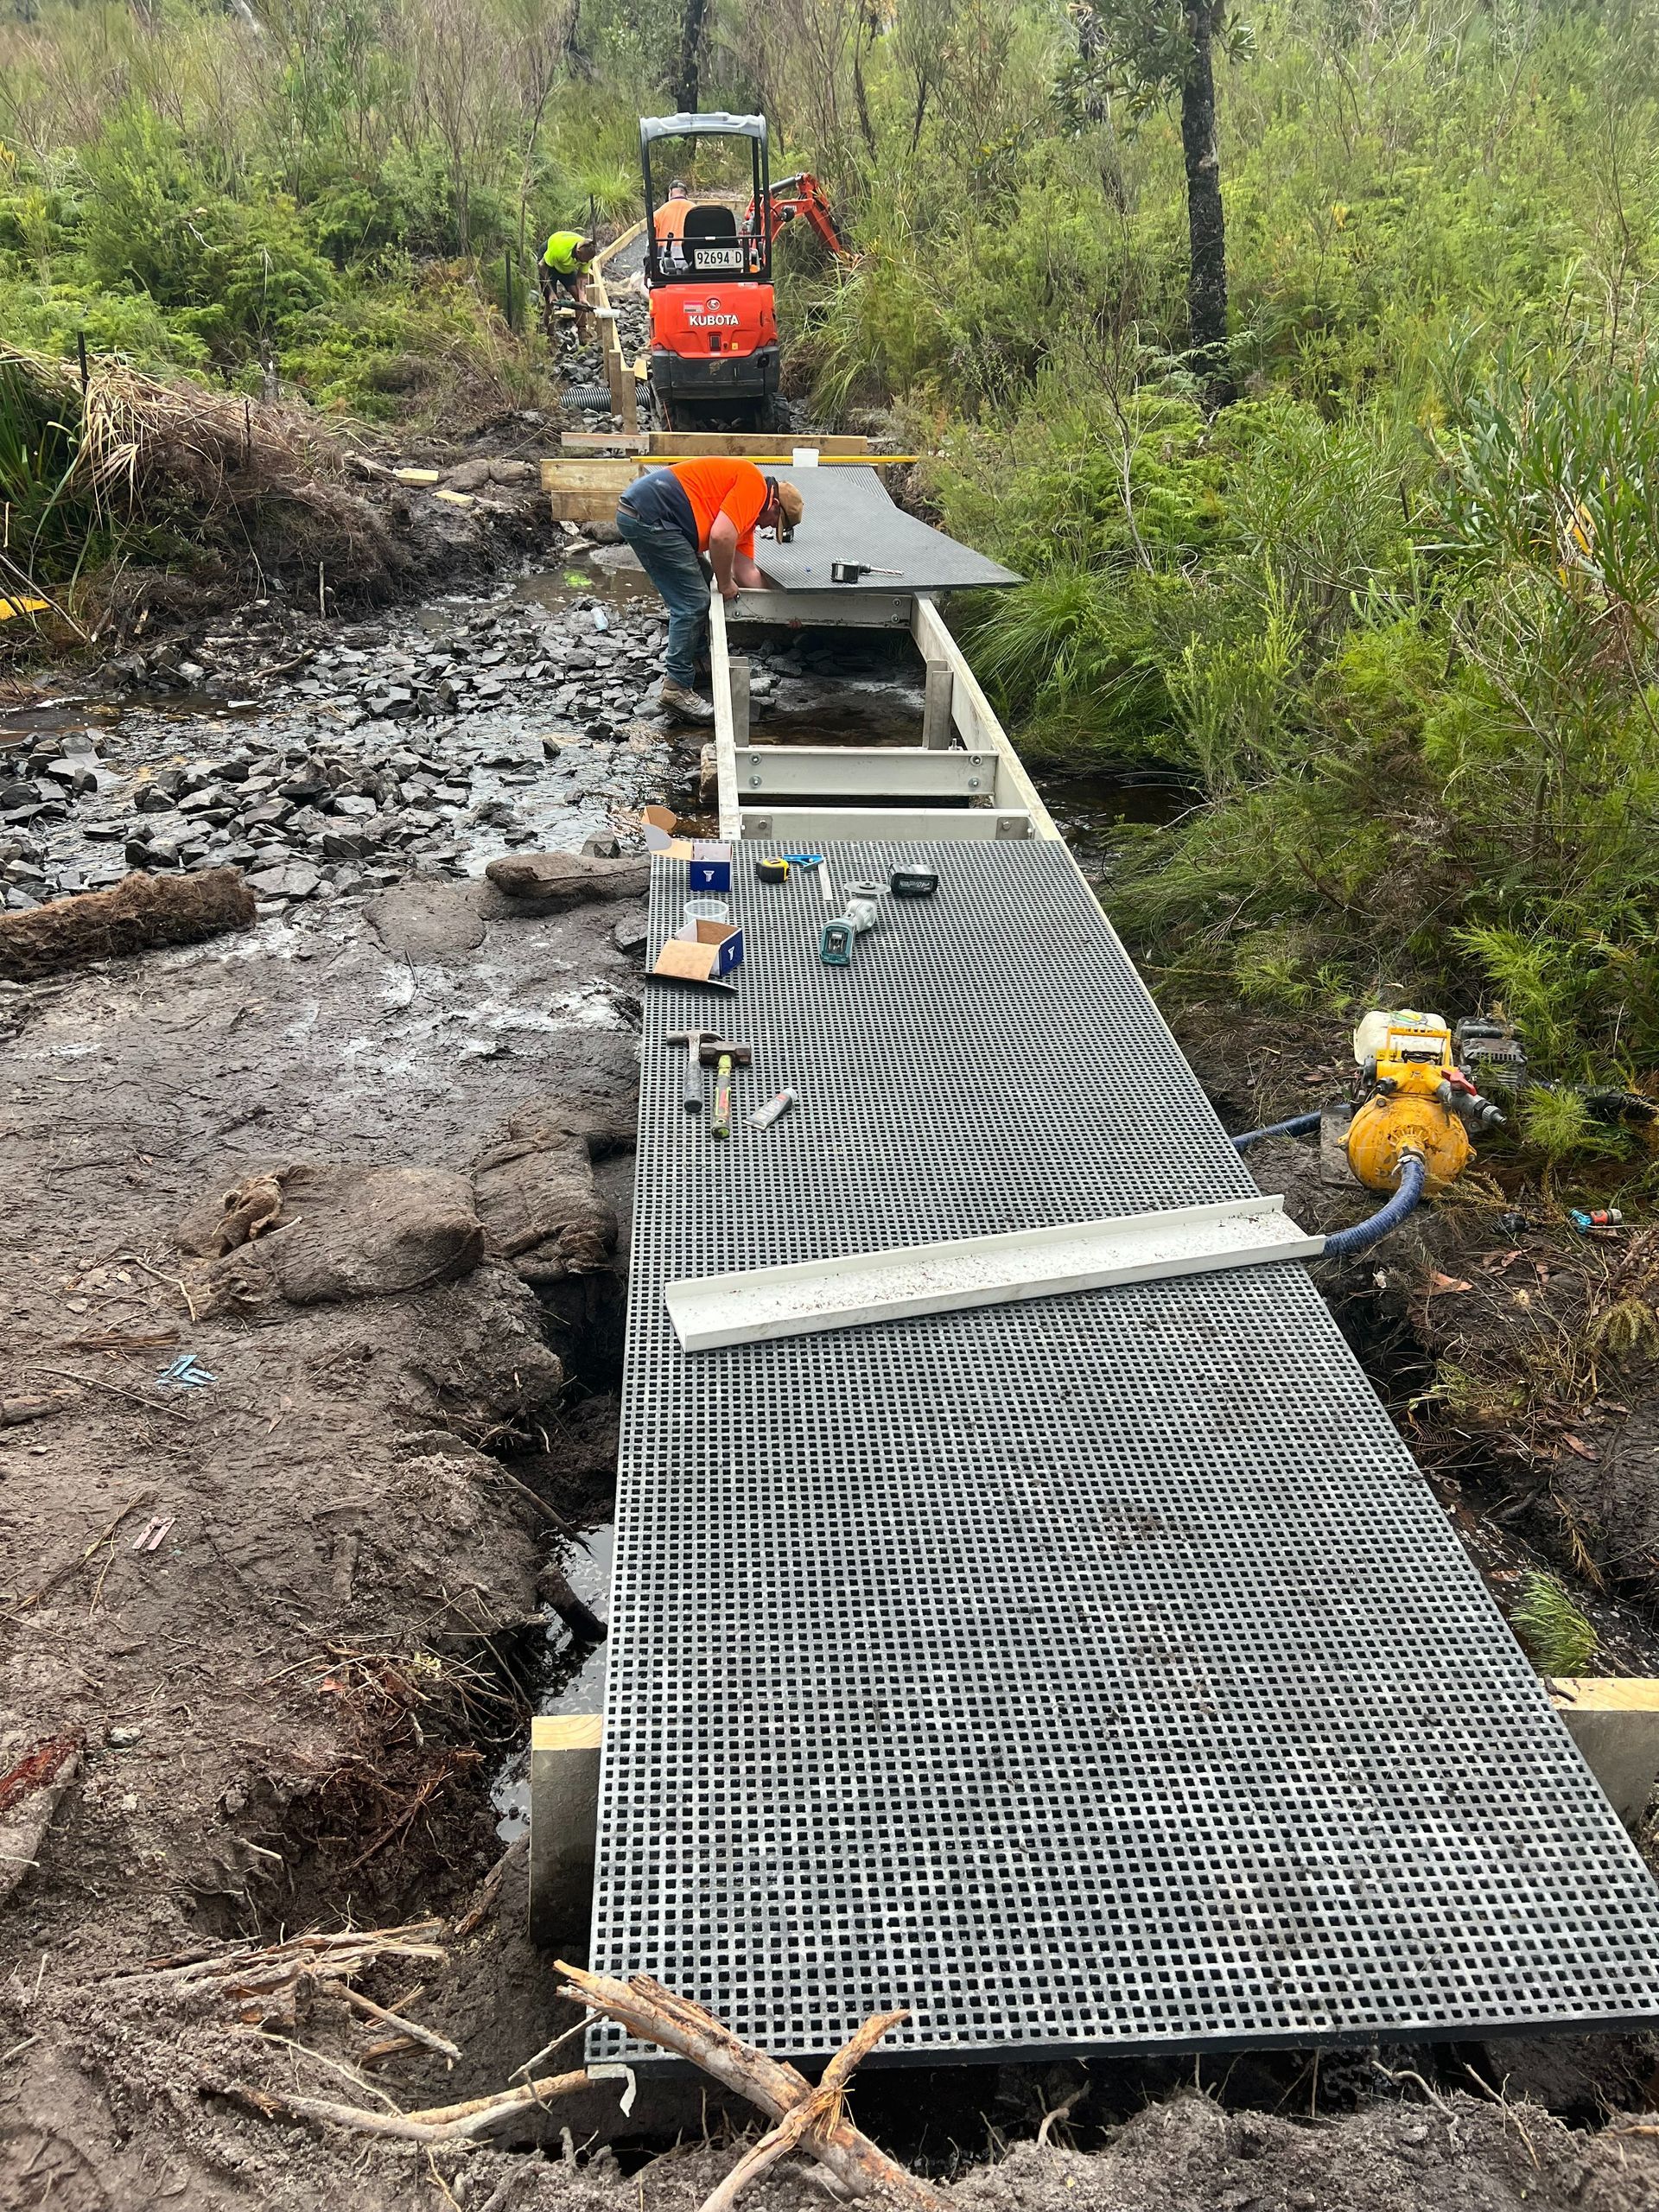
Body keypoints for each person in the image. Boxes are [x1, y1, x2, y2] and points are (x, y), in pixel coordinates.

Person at [616, 459, 804, 723]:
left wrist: (785, 613)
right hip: (651, 516)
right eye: (775, 523)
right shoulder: (753, 485)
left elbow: (747, 573)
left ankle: (699, 662)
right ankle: (677, 689)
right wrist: (725, 584)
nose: (768, 528)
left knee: (703, 578)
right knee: (692, 601)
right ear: (774, 505)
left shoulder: (747, 514)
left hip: (653, 516)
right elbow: (719, 537)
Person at [538, 231, 598, 340]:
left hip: (566, 268)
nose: (584, 263)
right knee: (551, 302)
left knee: (579, 300)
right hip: (548, 267)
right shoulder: (558, 249)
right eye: (582, 261)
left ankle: (582, 331)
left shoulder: (588, 254)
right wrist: (551, 292)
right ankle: (550, 336)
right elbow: (542, 266)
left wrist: (582, 296)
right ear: (578, 253)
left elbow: (582, 276)